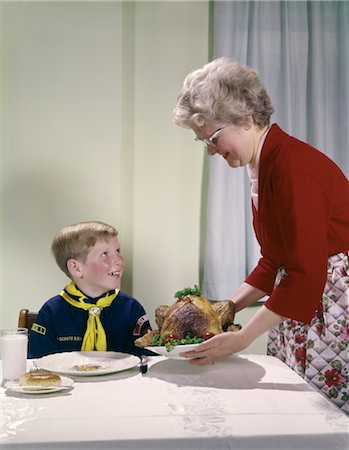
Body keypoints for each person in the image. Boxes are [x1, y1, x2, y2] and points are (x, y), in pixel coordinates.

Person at [173, 57, 349, 412]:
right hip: (306, 303)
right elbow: (275, 260)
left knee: (324, 419)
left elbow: (304, 272)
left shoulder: (293, 168)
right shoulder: (263, 163)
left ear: (246, 119)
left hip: (333, 304)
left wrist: (242, 339)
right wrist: (226, 309)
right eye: (203, 141)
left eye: (213, 137)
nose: (211, 150)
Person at [28, 221, 155, 358]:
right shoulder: (52, 313)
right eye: (105, 254)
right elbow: (37, 365)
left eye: (117, 251)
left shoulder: (131, 309)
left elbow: (148, 360)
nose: (118, 260)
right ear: (76, 268)